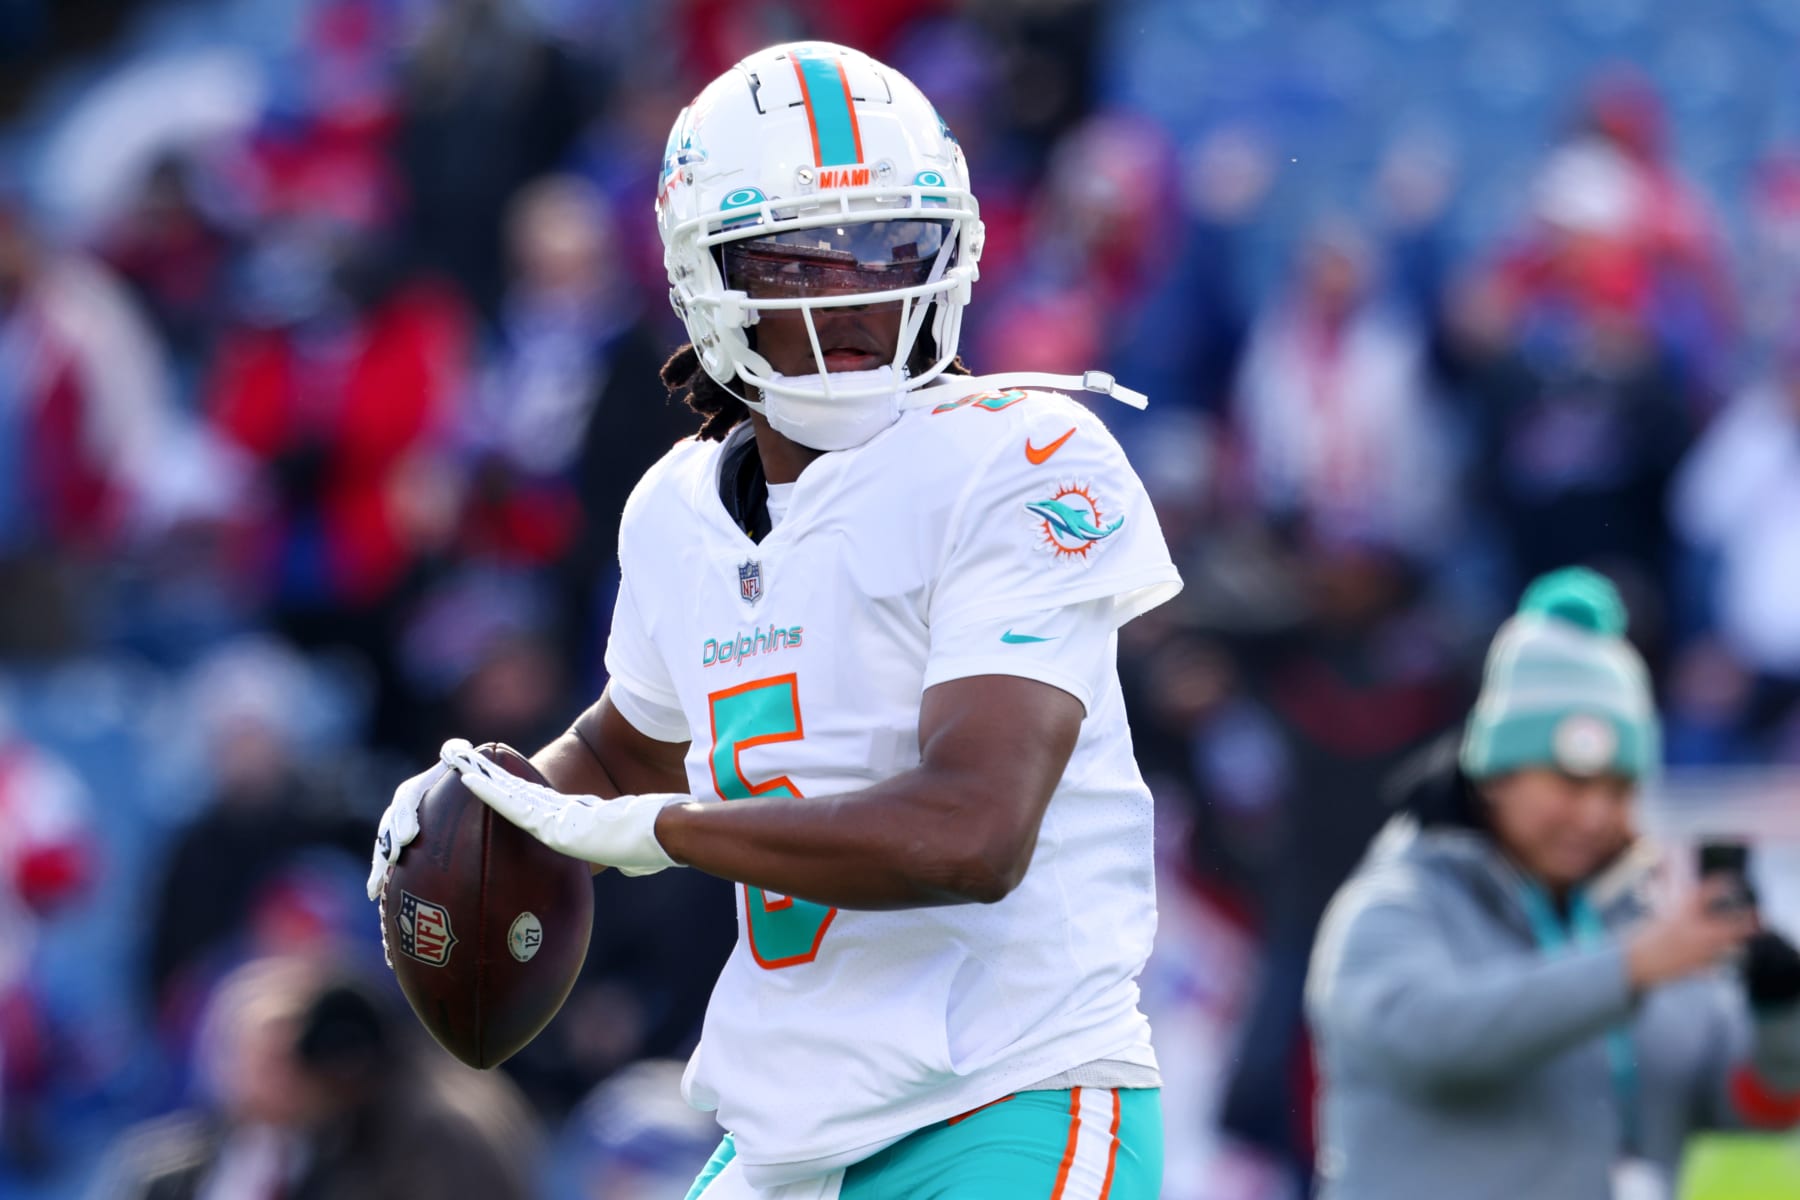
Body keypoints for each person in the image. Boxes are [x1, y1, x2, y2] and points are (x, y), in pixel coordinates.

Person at [369, 39, 1180, 1200]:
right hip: (783, 1139)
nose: (857, 290)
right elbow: (627, 747)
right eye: (803, 259)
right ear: (708, 274)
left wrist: (672, 831)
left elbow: (974, 833)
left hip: (1010, 1098)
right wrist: (490, 803)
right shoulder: (673, 509)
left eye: (891, 247)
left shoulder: (1024, 456)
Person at [1305, 568, 1800, 1200]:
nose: (1594, 814)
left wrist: (1780, 1012)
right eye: (1569, 782)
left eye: (1618, 789)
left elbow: (1756, 1109)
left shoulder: (1642, 918)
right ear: (1495, 773)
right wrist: (1631, 968)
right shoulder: (1394, 904)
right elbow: (1434, 1038)